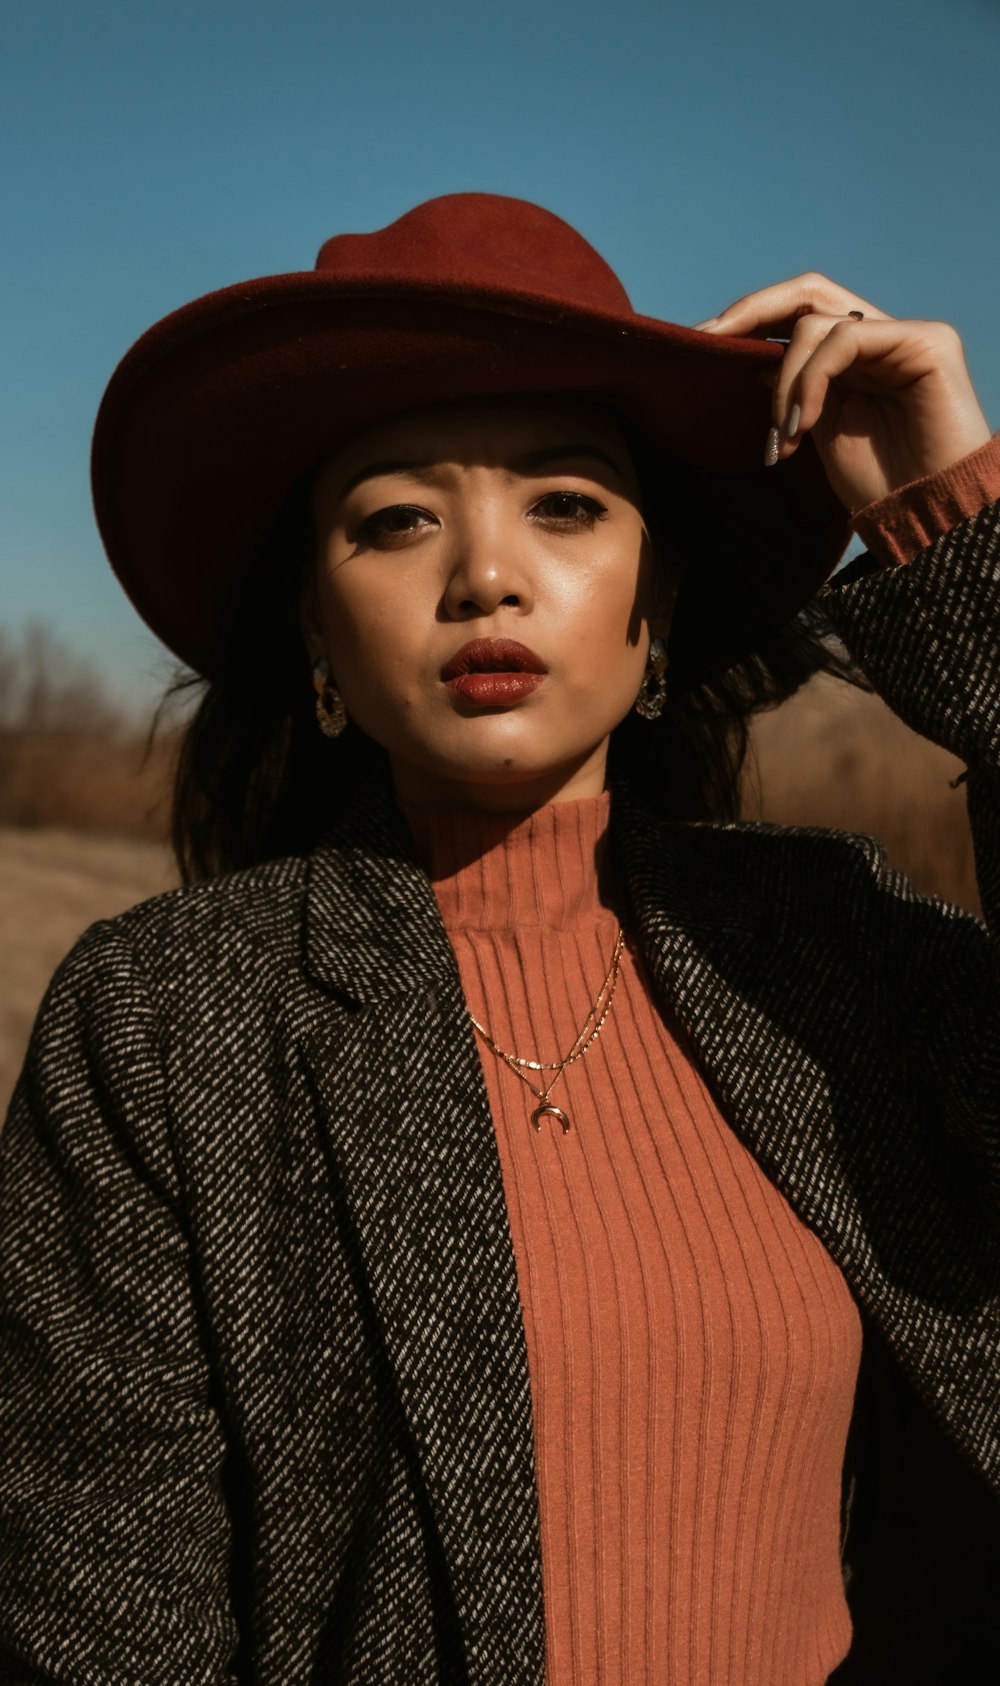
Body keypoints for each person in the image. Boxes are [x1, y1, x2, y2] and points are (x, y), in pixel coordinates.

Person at [0, 192, 998, 1685]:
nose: (485, 574)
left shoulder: (835, 953)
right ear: (317, 642)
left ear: (657, 610)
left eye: (568, 504)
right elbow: (96, 1632)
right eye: (396, 519)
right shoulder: (166, 1022)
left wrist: (962, 527)